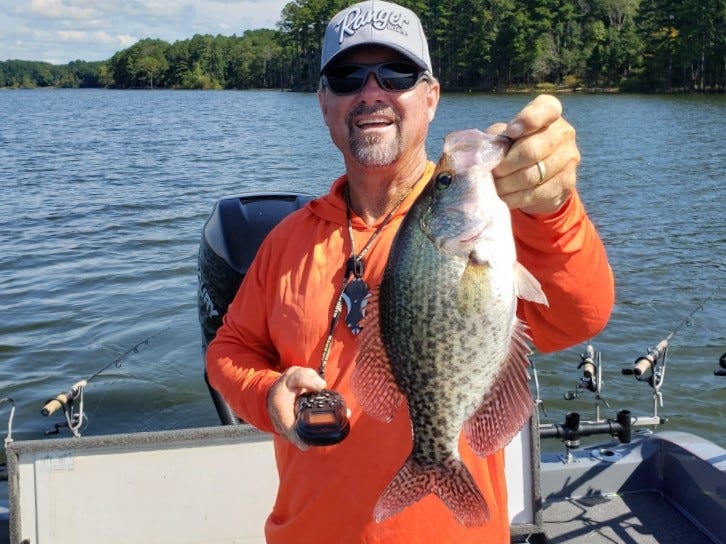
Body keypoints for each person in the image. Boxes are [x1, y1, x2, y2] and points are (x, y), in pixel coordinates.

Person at [206, 1, 615, 542]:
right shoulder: (286, 242)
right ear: (324, 102)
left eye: (395, 75)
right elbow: (227, 351)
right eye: (348, 78)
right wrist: (267, 396)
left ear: (430, 96)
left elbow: (582, 314)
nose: (371, 93)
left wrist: (552, 206)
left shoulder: (497, 223)